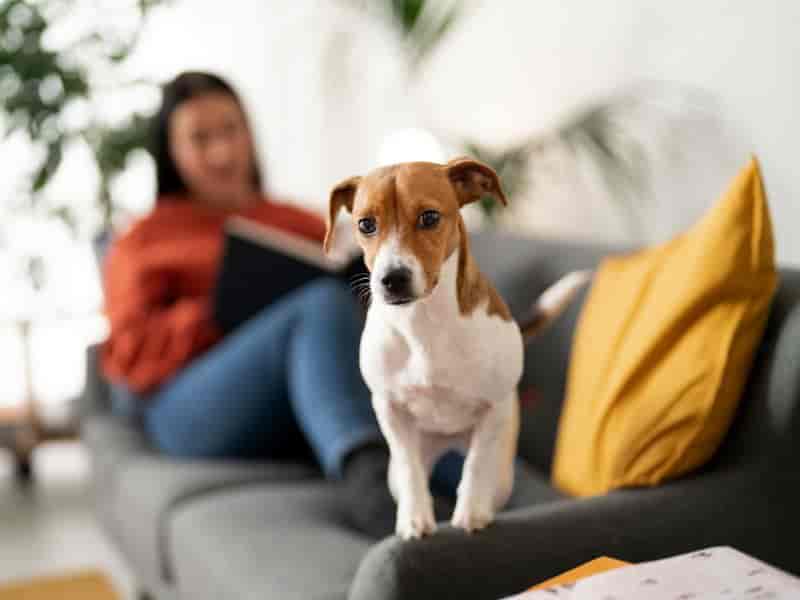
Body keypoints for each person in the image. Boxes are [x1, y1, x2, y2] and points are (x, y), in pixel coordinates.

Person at [100, 71, 460, 538]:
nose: (222, 152)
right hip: (187, 409)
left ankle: (503, 487)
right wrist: (217, 311)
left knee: (352, 306)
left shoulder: (295, 221)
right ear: (172, 152)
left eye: (230, 130)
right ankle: (371, 480)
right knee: (315, 304)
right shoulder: (143, 240)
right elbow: (128, 356)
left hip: (299, 398)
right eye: (200, 138)